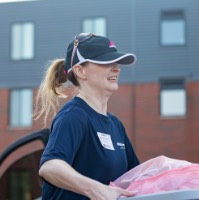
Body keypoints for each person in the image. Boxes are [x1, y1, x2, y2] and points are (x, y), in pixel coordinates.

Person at [35, 32, 140, 200]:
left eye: (116, 62)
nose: (116, 68)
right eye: (106, 62)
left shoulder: (116, 125)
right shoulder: (73, 116)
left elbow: (135, 178)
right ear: (80, 70)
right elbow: (50, 167)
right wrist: (94, 189)